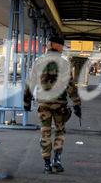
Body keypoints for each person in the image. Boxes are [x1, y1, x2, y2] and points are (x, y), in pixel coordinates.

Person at [24, 35, 82, 173]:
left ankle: (46, 164)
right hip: (60, 105)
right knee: (60, 132)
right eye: (61, 45)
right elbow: (70, 86)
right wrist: (76, 104)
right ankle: (57, 160)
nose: (62, 48)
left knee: (45, 133)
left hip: (44, 104)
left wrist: (26, 101)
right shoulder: (64, 63)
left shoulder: (38, 61)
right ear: (56, 45)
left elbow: (31, 83)